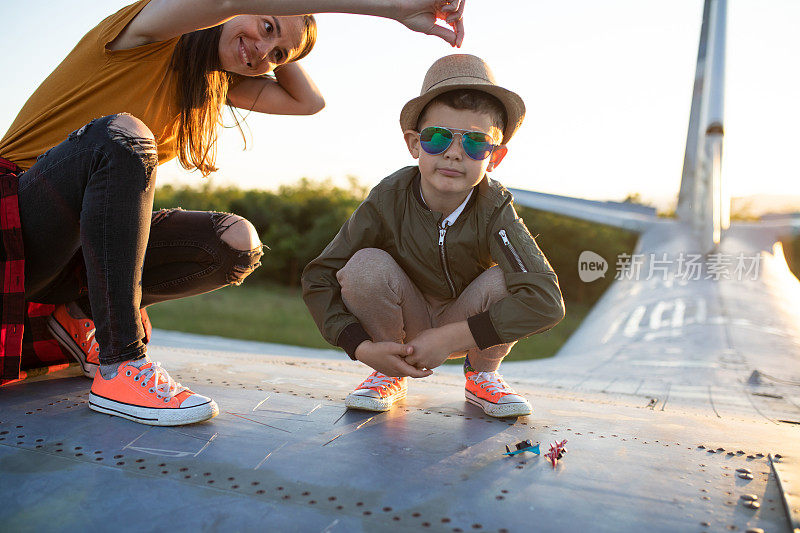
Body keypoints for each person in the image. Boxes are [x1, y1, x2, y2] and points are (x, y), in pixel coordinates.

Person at [0, 0, 466, 426]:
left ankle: (77, 312)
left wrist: (289, 41)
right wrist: (393, 9)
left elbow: (309, 103)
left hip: (75, 252)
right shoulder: (144, 33)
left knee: (234, 242)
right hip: (19, 222)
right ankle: (121, 363)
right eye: (264, 26)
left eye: (277, 55)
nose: (262, 53)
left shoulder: (209, 85)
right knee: (121, 136)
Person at [301, 54, 566, 418]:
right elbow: (319, 276)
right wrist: (361, 347)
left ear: (495, 157)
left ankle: (482, 375)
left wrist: (452, 338)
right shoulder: (388, 198)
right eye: (438, 137)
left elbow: (545, 299)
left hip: (469, 324)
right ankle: (388, 370)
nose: (454, 153)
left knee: (512, 279)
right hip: (402, 320)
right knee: (364, 266)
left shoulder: (494, 207)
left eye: (475, 143)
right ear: (414, 144)